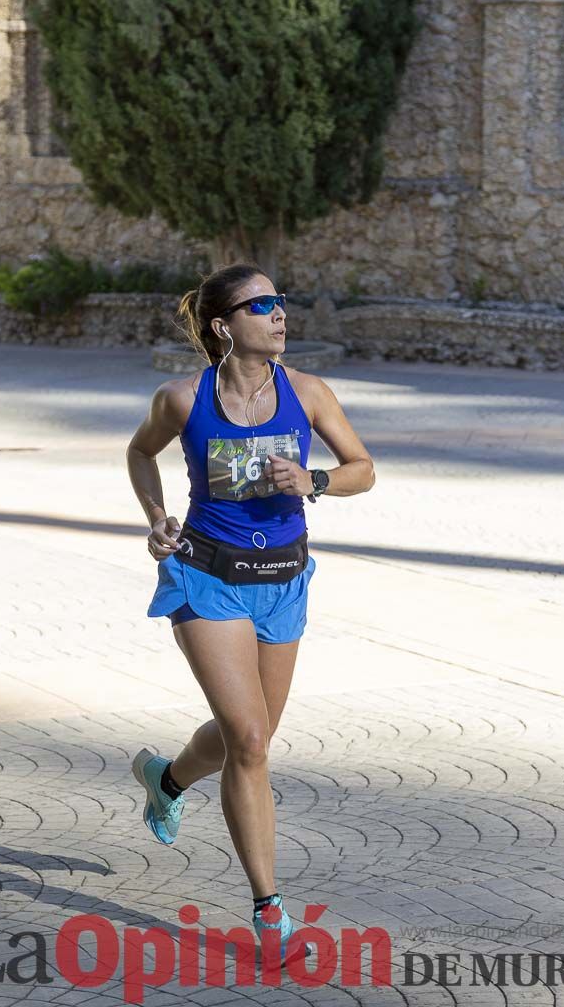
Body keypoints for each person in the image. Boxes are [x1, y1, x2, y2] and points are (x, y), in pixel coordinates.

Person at [126, 263, 375, 962]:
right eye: (260, 304)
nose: (279, 314)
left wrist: (316, 479)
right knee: (253, 741)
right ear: (222, 325)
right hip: (206, 579)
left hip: (284, 581)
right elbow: (139, 453)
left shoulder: (310, 392)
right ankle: (270, 909)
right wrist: (156, 518)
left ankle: (167, 778)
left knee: (250, 735)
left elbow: (363, 467)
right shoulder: (181, 399)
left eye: (280, 302)